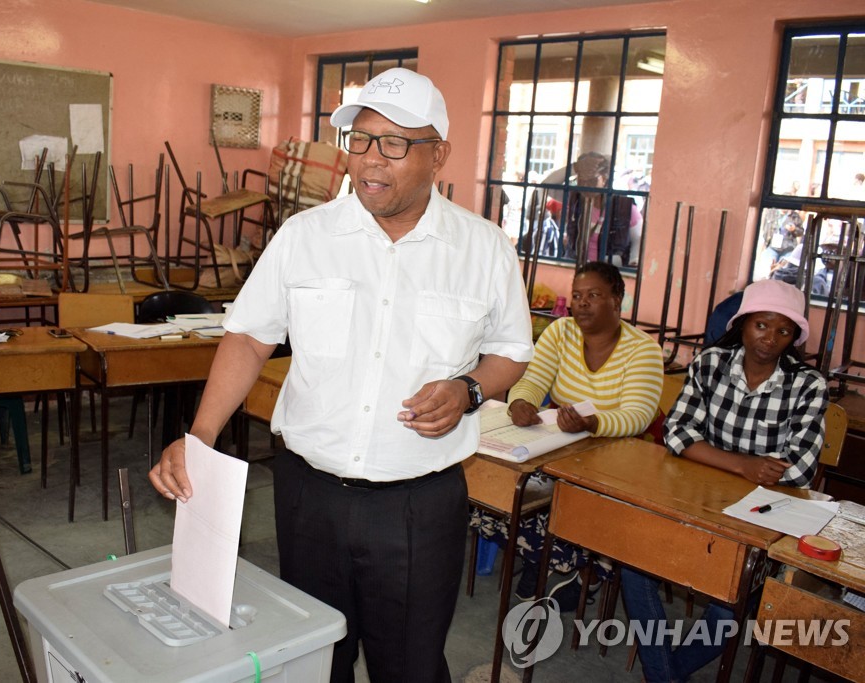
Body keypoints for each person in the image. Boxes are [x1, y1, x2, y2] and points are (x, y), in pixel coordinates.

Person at [148, 68, 534, 683]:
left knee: (407, 667)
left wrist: (469, 390)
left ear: (440, 154)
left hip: (419, 502)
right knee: (312, 661)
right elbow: (249, 338)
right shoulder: (305, 236)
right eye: (359, 140)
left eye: (394, 144)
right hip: (310, 498)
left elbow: (511, 352)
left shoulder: (483, 249)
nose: (370, 162)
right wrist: (199, 437)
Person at [620, 279, 828, 683]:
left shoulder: (808, 385)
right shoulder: (710, 363)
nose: (770, 339)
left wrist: (717, 457)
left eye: (783, 331)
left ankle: (664, 675)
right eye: (761, 326)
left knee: (730, 604)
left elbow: (799, 470)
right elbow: (677, 433)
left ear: (793, 338)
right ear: (744, 323)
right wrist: (744, 465)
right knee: (634, 561)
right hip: (697, 498)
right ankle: (666, 676)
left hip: (764, 517)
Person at [470, 262, 663, 607]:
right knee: (509, 491)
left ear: (617, 301)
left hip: (615, 457)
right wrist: (520, 403)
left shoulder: (643, 350)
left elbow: (638, 416)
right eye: (577, 296)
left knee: (572, 505)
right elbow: (532, 381)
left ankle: (580, 570)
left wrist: (592, 423)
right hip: (562, 444)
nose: (582, 303)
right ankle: (545, 561)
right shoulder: (561, 332)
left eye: (594, 296)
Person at [561, 152, 643, 267]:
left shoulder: (624, 207)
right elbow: (548, 184)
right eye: (581, 179)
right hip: (574, 265)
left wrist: (633, 264)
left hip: (606, 271)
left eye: (591, 180)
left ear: (604, 179)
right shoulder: (575, 199)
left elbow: (639, 239)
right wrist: (576, 167)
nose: (585, 185)